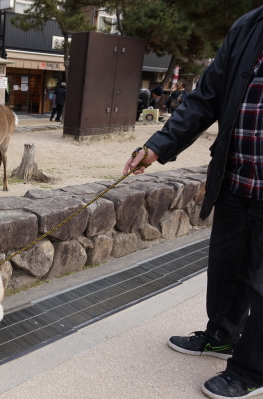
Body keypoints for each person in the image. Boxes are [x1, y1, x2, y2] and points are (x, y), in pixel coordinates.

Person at [123, 5, 263, 399]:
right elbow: (206, 98)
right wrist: (157, 146)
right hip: (235, 176)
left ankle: (251, 368)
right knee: (226, 267)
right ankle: (221, 336)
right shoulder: (248, 26)